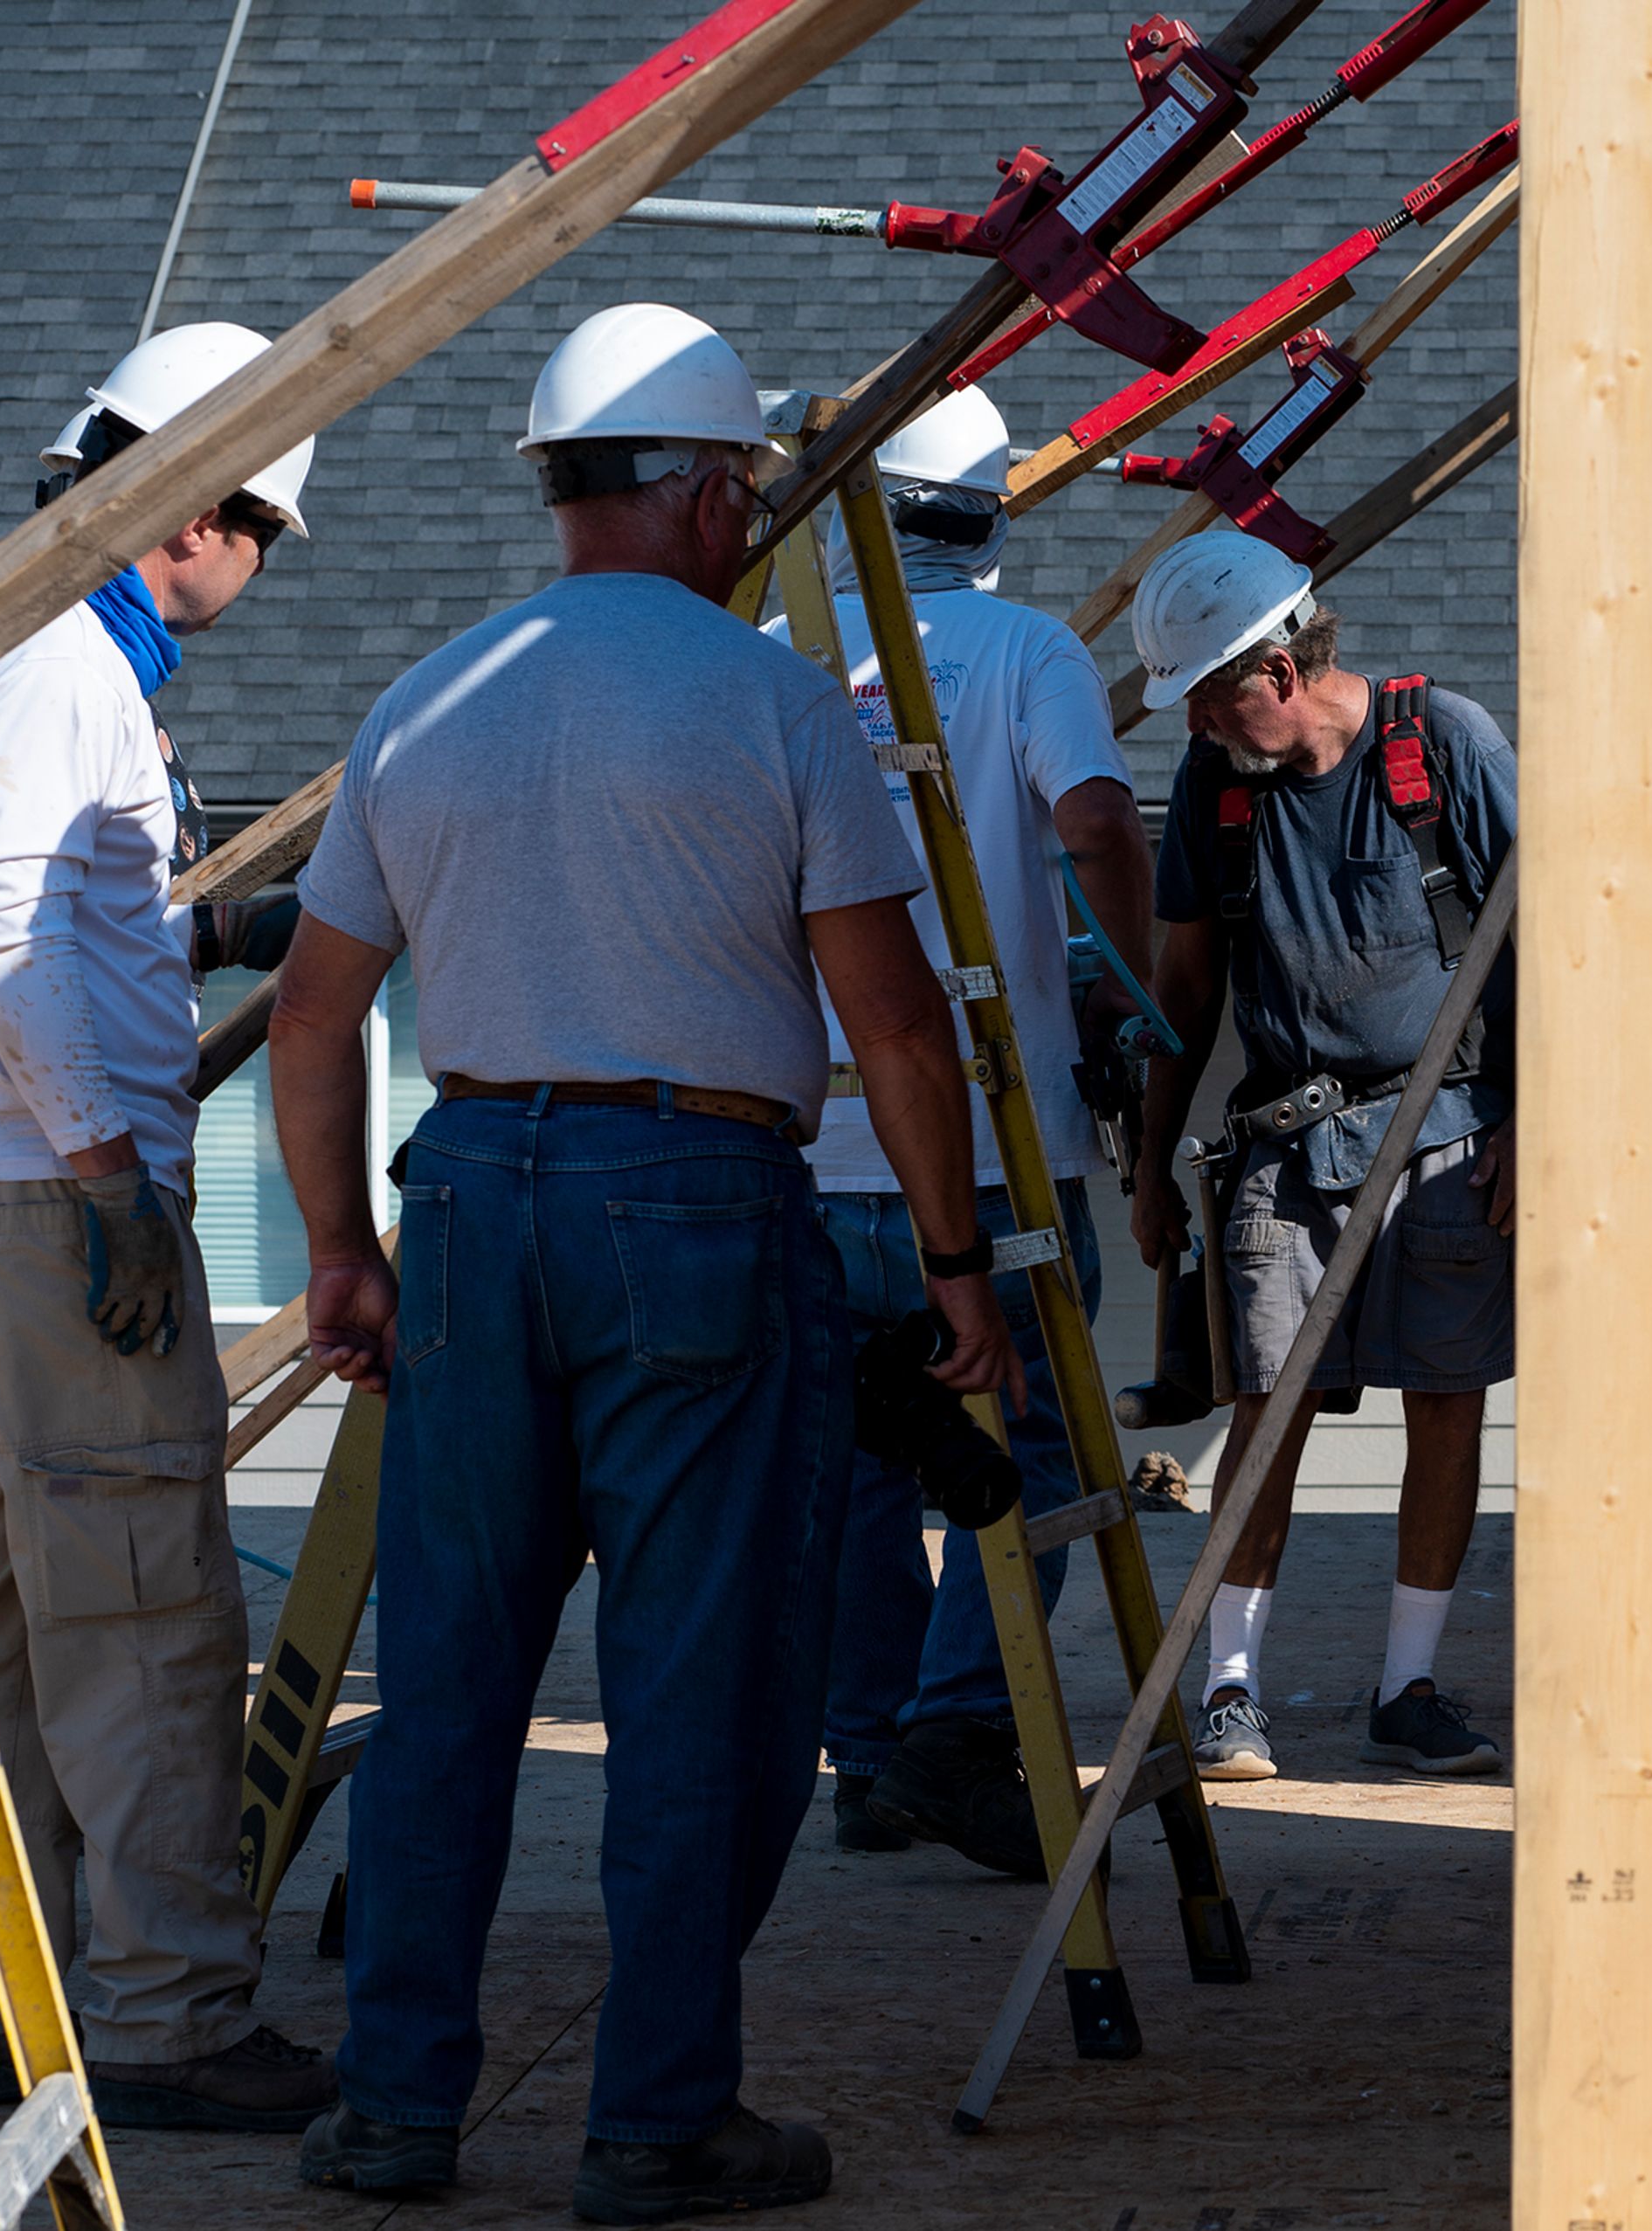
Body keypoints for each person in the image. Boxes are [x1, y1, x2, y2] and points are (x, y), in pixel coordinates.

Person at [268, 303, 1018, 2221]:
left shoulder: (425, 698)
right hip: (691, 1197)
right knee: (699, 1693)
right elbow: (901, 1027)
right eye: (747, 492)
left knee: (449, 1684)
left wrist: (343, 1250)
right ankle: (655, 2119)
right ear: (703, 491)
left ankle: (393, 2111)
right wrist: (953, 1266)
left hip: (470, 1199)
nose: (753, 519)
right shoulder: (769, 702)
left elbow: (314, 1012)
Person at [0, 322, 336, 2131]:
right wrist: (108, 1172)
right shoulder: (59, 665)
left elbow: (57, 919)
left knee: (19, 1617)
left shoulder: (19, 654)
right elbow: (6, 930)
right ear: (202, 512)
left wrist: (216, 935)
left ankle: (14, 1991)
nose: (253, 574)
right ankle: (164, 2016)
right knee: (147, 1623)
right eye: (263, 540)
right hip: (51, 1205)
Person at [760, 385, 1155, 1876]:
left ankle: (868, 1755)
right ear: (990, 510)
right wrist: (1133, 999)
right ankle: (945, 1729)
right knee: (1043, 1446)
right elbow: (1103, 828)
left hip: (819, 1140)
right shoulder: (1025, 651)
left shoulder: (787, 656)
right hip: (993, 1148)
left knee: (856, 1460)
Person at [1125, 532, 1515, 1783]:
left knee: (1448, 1404)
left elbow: (1556, 934)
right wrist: (1147, 1161)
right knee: (1268, 1404)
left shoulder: (1441, 744)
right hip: (1287, 1145)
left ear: (1281, 672)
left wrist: (1532, 1121)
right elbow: (1185, 985)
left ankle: (1407, 1687)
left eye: (1205, 687)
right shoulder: (1215, 780)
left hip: (1451, 1134)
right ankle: (1229, 1685)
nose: (1189, 716)